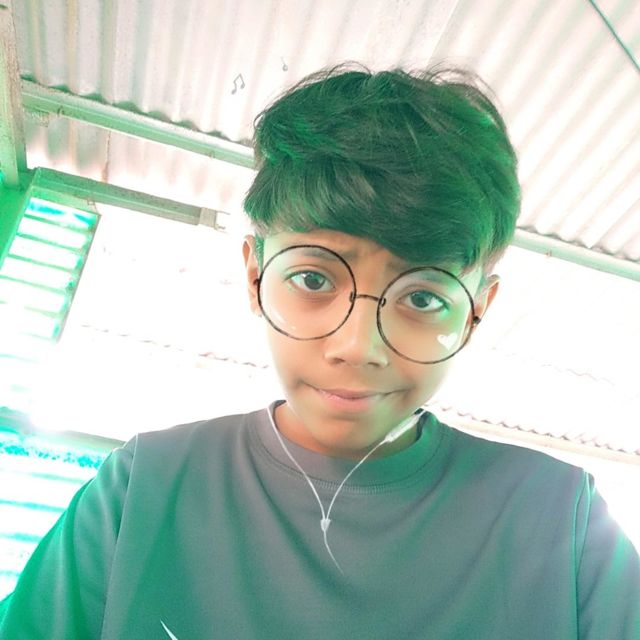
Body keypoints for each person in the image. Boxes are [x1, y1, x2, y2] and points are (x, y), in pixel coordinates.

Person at [0, 62, 638, 639]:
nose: (357, 347)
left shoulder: (562, 523)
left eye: (421, 298)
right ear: (255, 275)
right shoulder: (143, 490)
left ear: (478, 310)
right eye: (312, 279)